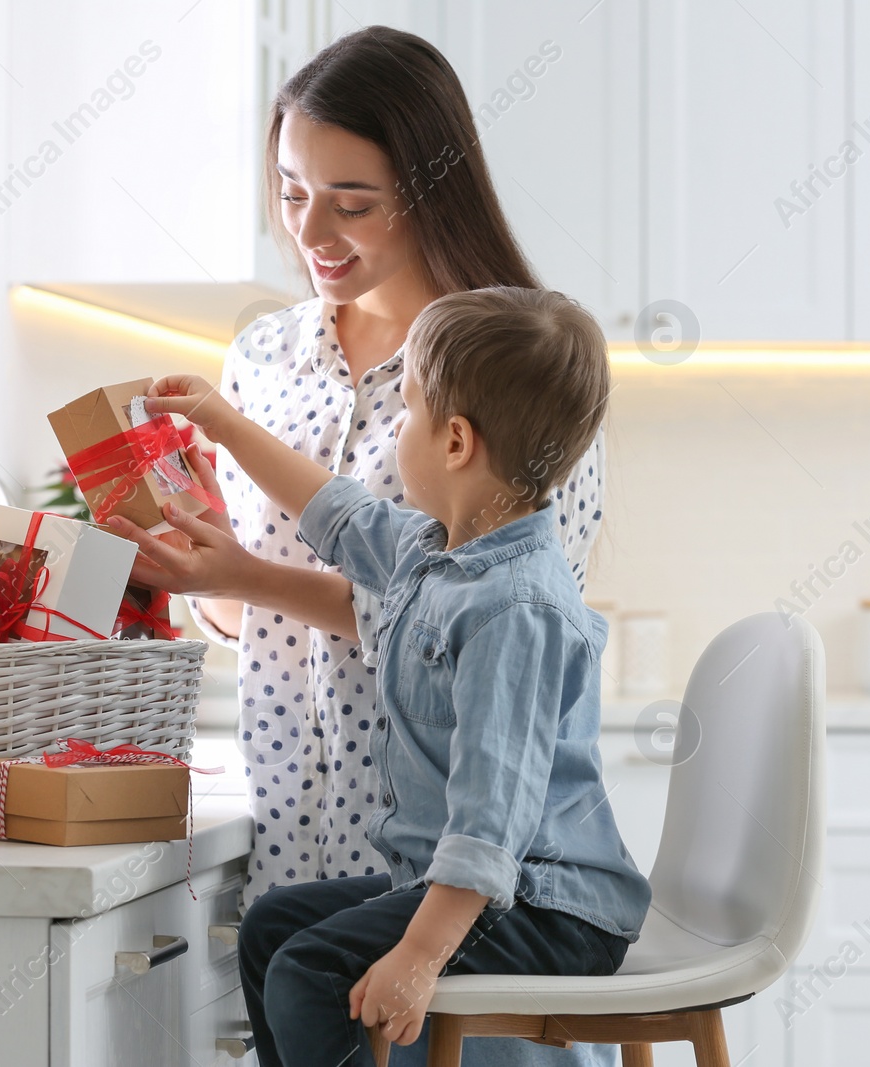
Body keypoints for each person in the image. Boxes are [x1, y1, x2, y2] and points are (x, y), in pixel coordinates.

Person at [118, 25, 614, 1067]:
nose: (313, 229)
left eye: (352, 201)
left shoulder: (501, 370)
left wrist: (247, 570)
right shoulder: (265, 355)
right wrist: (213, 539)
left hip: (450, 824)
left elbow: (470, 622)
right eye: (293, 191)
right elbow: (309, 552)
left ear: (432, 190)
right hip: (296, 788)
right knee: (297, 964)